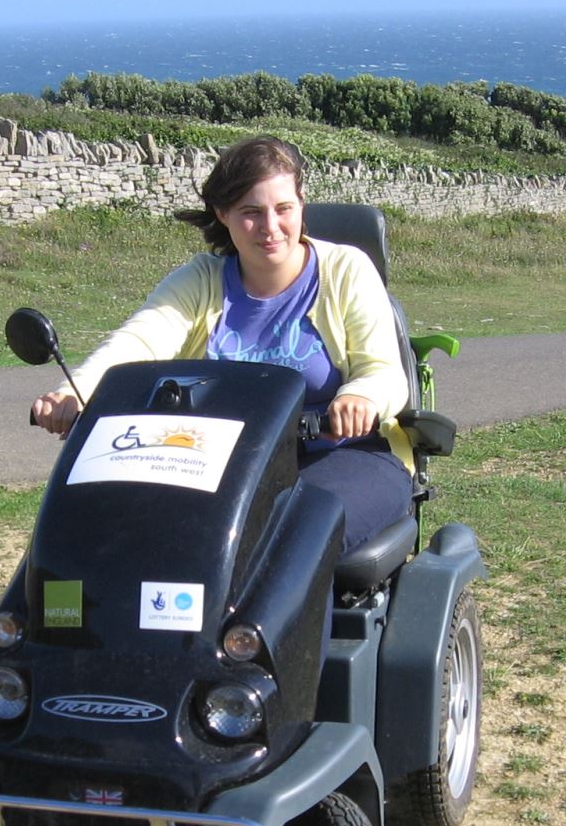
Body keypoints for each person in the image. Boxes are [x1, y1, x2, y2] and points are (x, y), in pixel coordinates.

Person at [30, 136, 414, 555]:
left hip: (345, 456)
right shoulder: (200, 281)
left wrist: (360, 395)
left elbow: (384, 373)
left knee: (293, 540)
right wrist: (75, 390)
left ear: (301, 205)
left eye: (284, 208)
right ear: (223, 214)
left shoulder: (346, 269)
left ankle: (263, 627)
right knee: (124, 530)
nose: (271, 227)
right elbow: (138, 340)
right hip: (220, 464)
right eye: (251, 213)